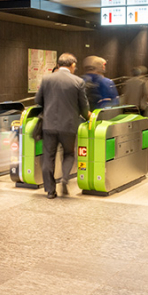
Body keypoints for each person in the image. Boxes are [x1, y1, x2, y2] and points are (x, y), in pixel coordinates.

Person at [35, 53, 90, 198]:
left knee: (48, 157)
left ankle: (50, 191)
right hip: (69, 126)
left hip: (49, 125)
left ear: (58, 65)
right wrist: (88, 116)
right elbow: (84, 106)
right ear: (72, 65)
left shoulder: (47, 79)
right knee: (69, 154)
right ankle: (65, 179)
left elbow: (38, 100)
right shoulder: (78, 81)